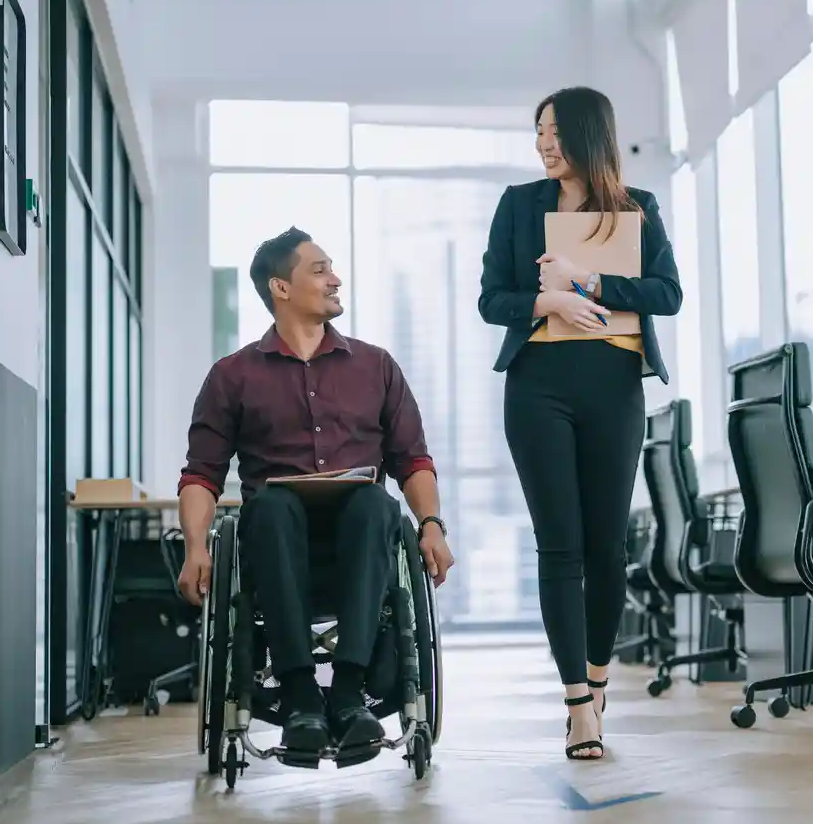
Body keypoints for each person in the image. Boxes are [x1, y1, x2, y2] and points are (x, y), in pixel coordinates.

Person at [175, 226, 455, 755]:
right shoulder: (232, 376)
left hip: (360, 544)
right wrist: (195, 548)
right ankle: (301, 695)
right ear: (281, 288)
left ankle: (348, 693)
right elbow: (201, 474)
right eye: (321, 270)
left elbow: (412, 459)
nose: (336, 279)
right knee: (274, 505)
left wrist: (432, 526)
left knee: (374, 500)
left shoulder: (375, 366)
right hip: (274, 546)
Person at [478, 87, 682, 761]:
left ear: (590, 135)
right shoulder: (518, 206)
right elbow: (491, 300)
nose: (543, 143)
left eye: (555, 132)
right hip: (537, 385)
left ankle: (597, 681)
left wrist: (589, 282)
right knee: (558, 545)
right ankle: (575, 706)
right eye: (537, 130)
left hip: (613, 385)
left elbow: (666, 293)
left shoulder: (636, 208)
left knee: (606, 548)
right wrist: (549, 299)